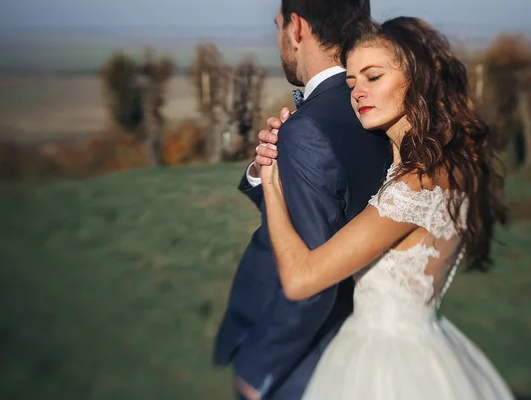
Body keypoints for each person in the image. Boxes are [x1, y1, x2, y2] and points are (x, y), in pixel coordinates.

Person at [256, 16, 514, 399]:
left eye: (373, 77)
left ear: (419, 78)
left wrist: (271, 182)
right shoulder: (445, 166)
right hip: (425, 344)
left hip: (387, 366)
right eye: (351, 82)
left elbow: (300, 279)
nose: (358, 92)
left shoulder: (415, 186)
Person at [212, 1, 391, 399]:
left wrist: (259, 372)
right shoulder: (380, 110)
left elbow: (311, 280)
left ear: (296, 28)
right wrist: (268, 176)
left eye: (277, 26)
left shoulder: (310, 128)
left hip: (301, 365)